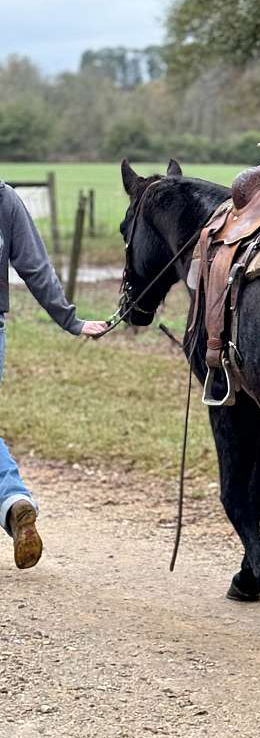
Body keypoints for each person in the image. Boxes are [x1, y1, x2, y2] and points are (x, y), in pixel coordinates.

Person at [0, 180, 107, 568]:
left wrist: (71, 320)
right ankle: (13, 501)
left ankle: (12, 499)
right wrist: (70, 320)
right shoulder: (4, 197)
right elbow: (34, 266)